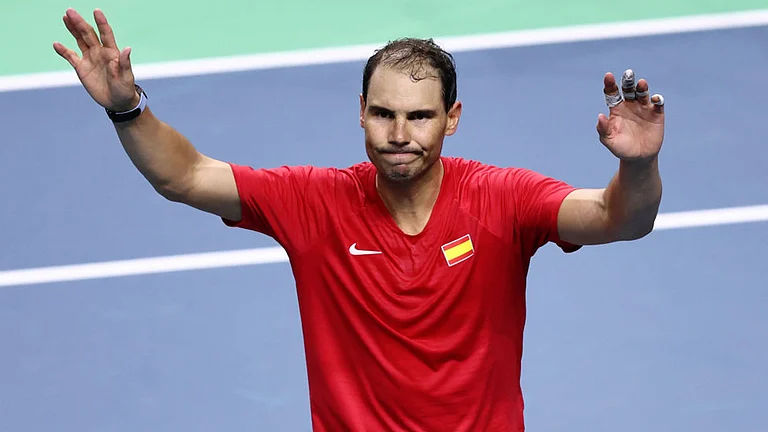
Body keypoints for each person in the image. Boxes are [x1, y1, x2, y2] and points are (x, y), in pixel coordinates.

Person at [53, 8, 665, 431]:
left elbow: (618, 218)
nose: (399, 135)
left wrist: (639, 165)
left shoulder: (502, 198)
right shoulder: (313, 203)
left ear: (452, 118)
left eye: (419, 117)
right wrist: (128, 110)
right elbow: (184, 176)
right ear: (362, 112)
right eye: (383, 114)